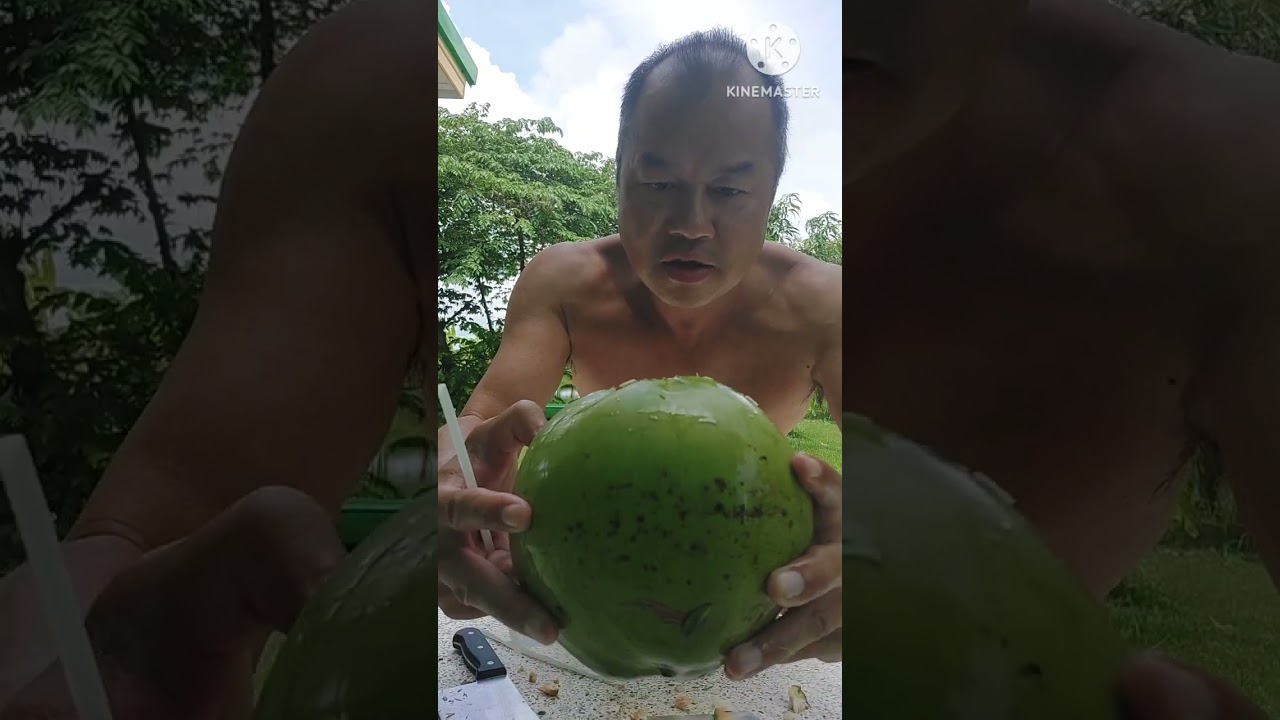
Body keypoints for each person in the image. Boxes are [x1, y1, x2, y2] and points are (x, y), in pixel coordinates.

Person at [0, 1, 1269, 719]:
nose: (687, 223)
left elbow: (829, 442)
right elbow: (128, 555)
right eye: (654, 183)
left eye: (729, 188)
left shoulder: (1222, 182)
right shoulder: (396, 99)